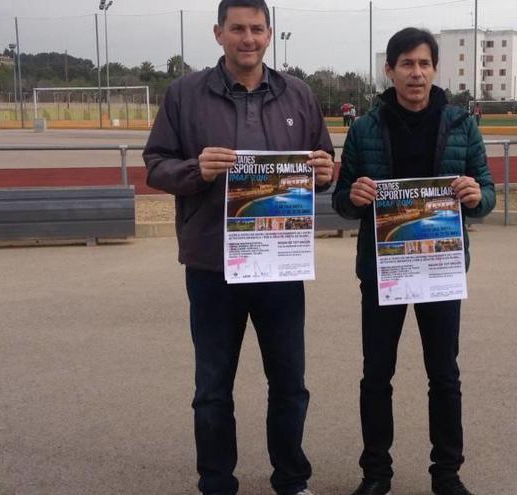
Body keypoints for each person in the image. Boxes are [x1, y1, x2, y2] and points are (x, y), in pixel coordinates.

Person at [142, 1, 334, 494]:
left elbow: (323, 163)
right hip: (212, 265)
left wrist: (325, 174)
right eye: (237, 29)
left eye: (256, 29)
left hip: (280, 264)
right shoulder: (185, 94)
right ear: (218, 33)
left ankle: (292, 480)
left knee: (289, 384)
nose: (247, 38)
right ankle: (217, 483)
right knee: (212, 388)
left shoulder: (299, 95)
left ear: (270, 34)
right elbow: (155, 164)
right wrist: (196, 170)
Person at [331, 27, 495, 495]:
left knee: (444, 375)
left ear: (434, 69)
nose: (416, 73)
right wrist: (355, 196)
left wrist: (474, 194)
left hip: (440, 268)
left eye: (424, 63)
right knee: (377, 375)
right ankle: (375, 474)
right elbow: (342, 200)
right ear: (390, 70)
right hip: (382, 269)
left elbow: (488, 193)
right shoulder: (364, 128)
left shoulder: (462, 123)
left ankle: (447, 474)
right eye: (406, 64)